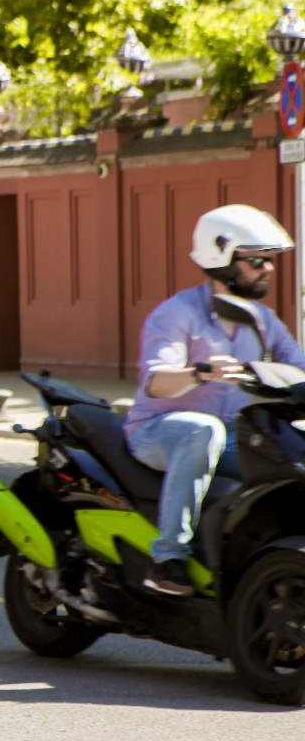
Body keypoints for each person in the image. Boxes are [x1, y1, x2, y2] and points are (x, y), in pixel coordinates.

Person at [124, 205, 305, 595]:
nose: (268, 269)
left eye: (270, 261)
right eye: (256, 261)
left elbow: (298, 366)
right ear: (220, 259)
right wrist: (200, 372)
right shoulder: (176, 314)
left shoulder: (262, 320)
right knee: (202, 431)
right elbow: (155, 384)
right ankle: (167, 558)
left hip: (232, 436)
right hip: (160, 431)